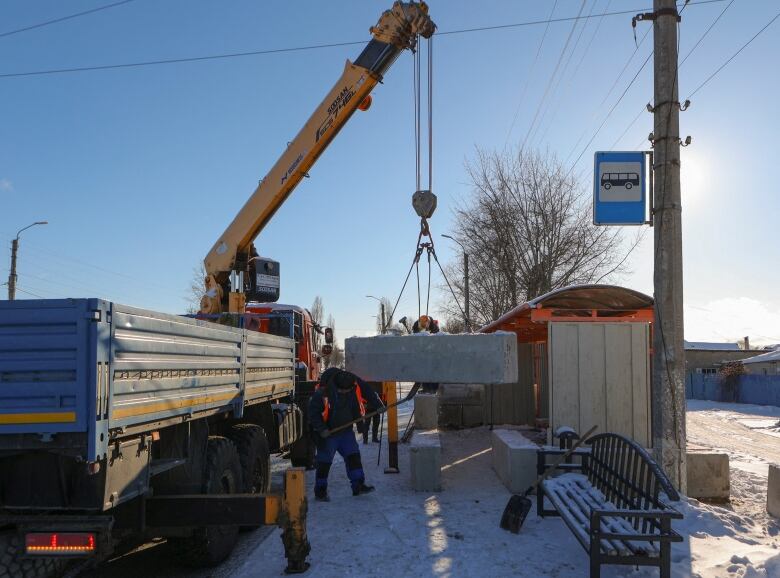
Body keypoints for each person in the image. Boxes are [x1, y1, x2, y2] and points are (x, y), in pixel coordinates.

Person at [308, 367, 383, 501]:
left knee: (353, 456)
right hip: (329, 433)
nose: (346, 393)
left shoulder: (352, 384)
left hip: (346, 432)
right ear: (337, 387)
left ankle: (358, 485)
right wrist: (321, 429)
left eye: (348, 391)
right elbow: (313, 413)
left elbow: (367, 390)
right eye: (343, 391)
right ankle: (320, 491)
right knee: (324, 462)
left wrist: (378, 404)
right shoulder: (322, 393)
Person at [412, 315, 440, 394]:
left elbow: (437, 338)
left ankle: (434, 388)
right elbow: (415, 337)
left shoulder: (434, 326)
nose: (424, 329)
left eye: (426, 327)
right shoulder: (416, 325)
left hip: (433, 351)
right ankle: (426, 388)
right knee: (423, 368)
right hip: (421, 351)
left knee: (433, 368)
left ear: (429, 323)